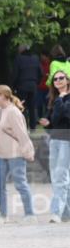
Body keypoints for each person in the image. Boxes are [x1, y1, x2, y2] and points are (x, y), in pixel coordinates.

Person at [0, 85, 36, 223]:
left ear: (3, 96)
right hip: (1, 155)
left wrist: (28, 151)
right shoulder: (0, 110)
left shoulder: (13, 112)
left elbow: (22, 134)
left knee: (20, 184)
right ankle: (3, 215)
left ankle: (30, 214)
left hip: (16, 154)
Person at [39, 69, 70, 222]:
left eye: (61, 78)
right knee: (59, 177)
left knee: (61, 177)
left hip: (67, 141)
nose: (58, 81)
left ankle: (56, 212)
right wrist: (47, 124)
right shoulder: (53, 99)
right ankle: (67, 213)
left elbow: (67, 116)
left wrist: (61, 100)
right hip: (55, 140)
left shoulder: (62, 99)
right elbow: (55, 121)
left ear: (68, 80)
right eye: (55, 79)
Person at [12, 45, 44, 129]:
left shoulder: (18, 59)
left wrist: (13, 86)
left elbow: (15, 74)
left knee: (21, 106)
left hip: (21, 85)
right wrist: (36, 82)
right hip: (33, 85)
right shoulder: (35, 58)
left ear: (21, 50)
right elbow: (41, 73)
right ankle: (33, 127)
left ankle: (24, 125)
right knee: (32, 107)